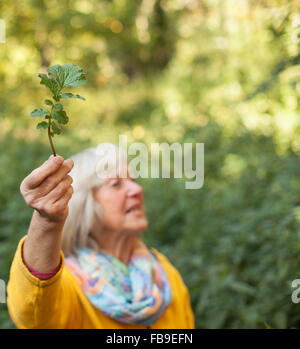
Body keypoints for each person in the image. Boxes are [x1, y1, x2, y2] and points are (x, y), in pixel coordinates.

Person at [7, 144, 194, 329]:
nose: (137, 190)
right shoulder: (68, 285)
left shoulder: (164, 273)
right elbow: (33, 314)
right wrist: (47, 221)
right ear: (83, 203)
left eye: (133, 180)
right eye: (116, 184)